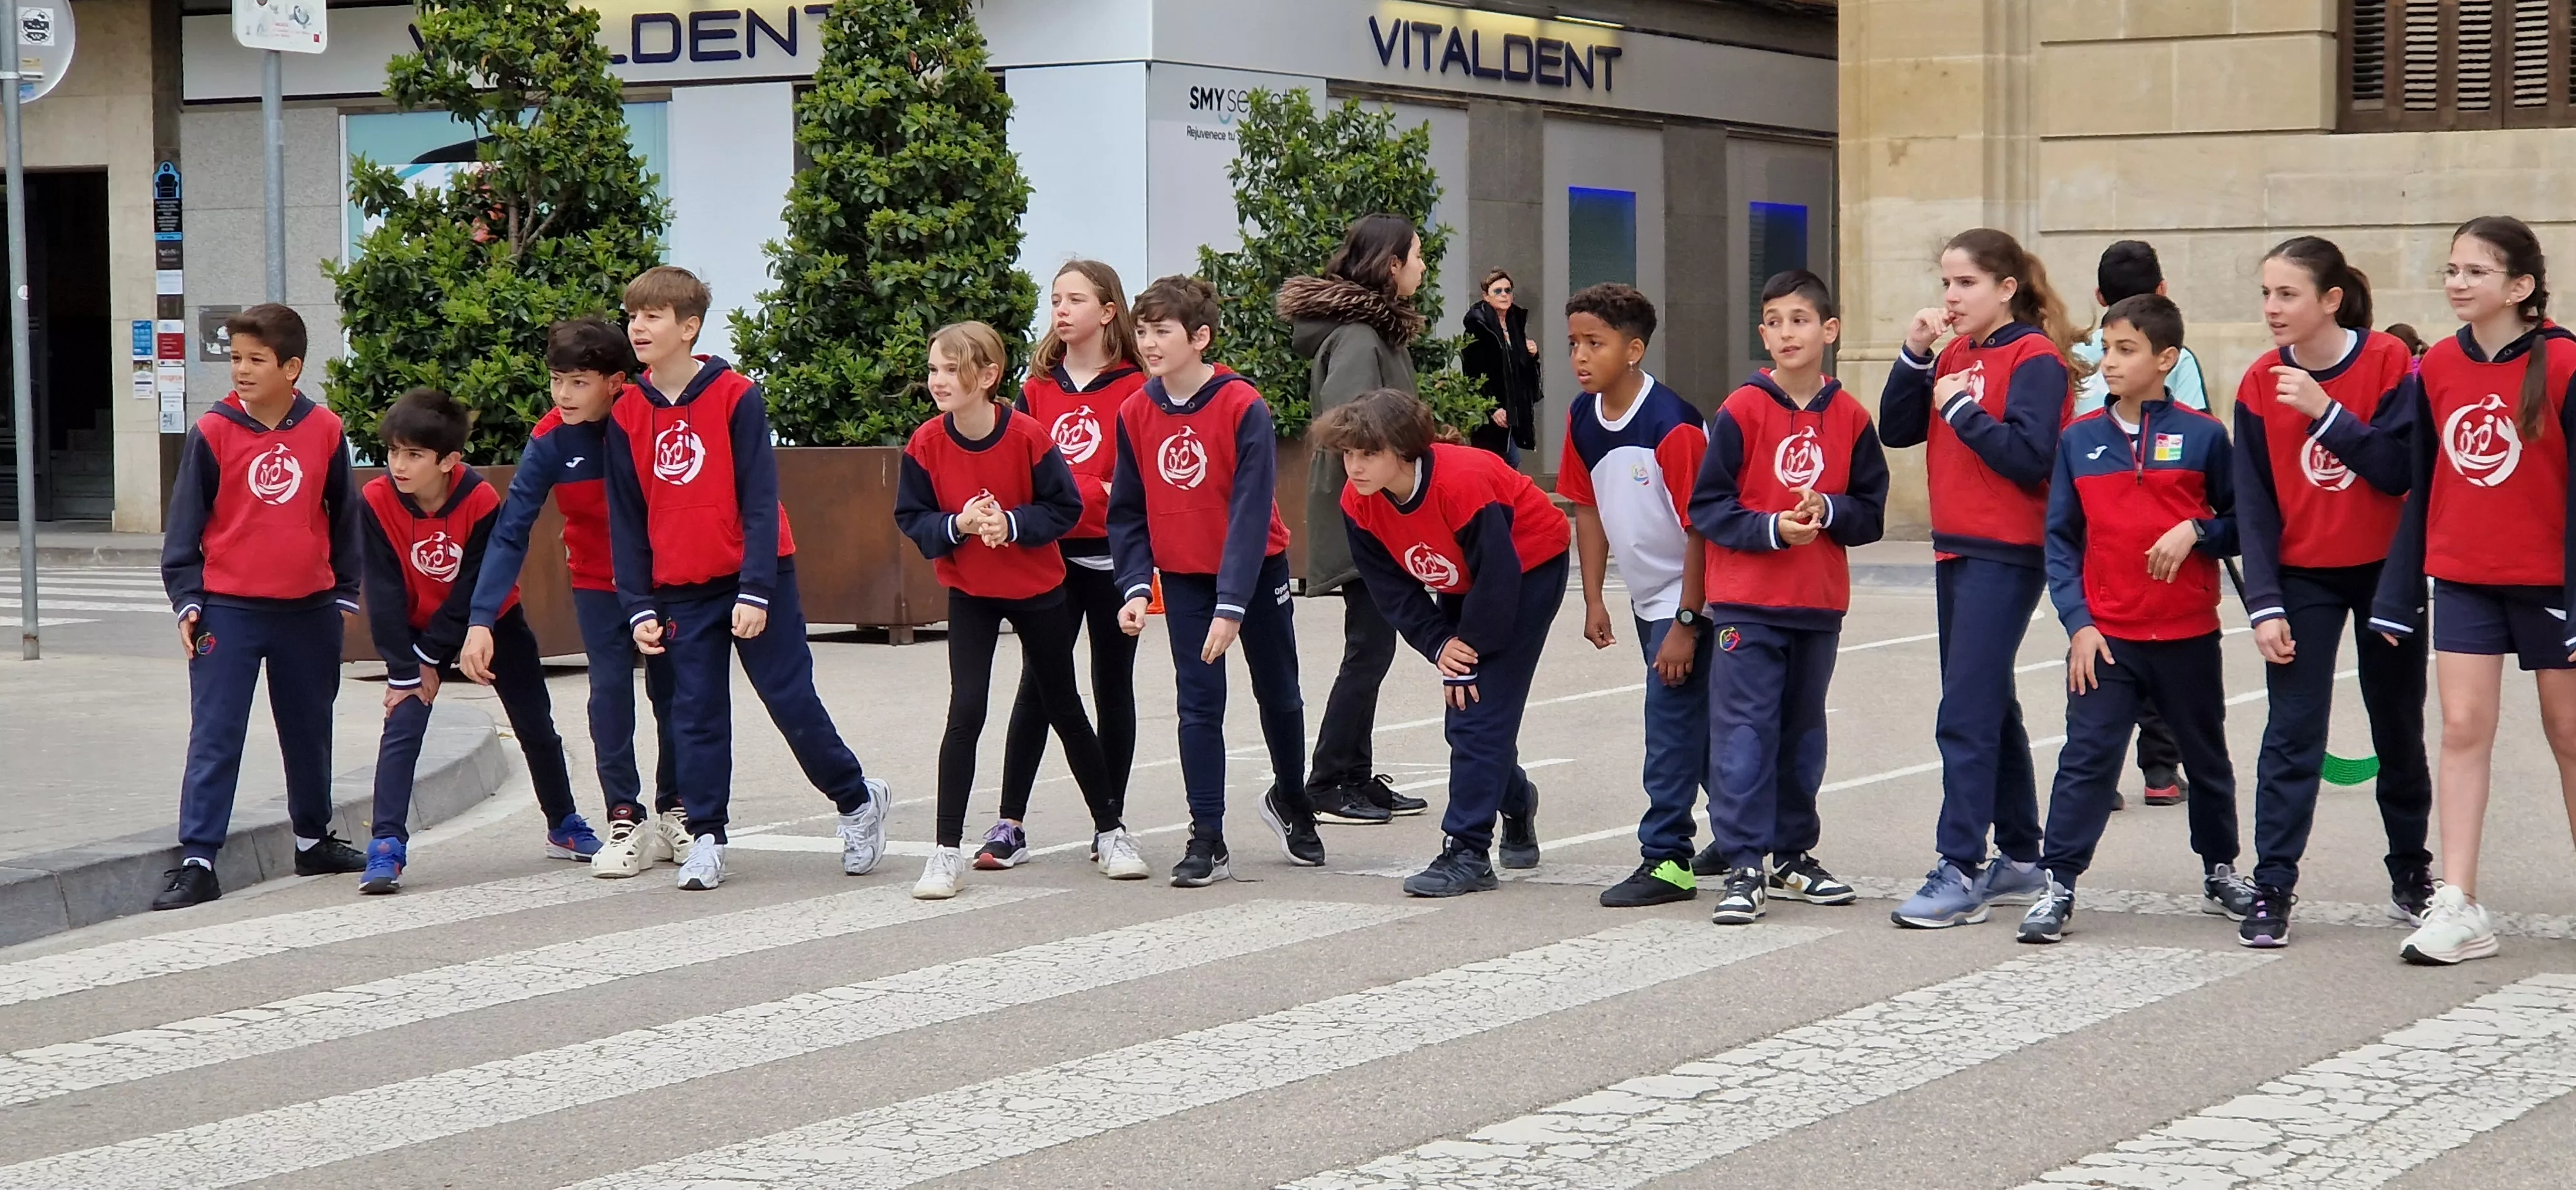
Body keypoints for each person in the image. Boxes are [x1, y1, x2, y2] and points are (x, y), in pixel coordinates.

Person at [603, 265, 888, 891]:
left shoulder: (735, 395)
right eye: (633, 316)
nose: (639, 327)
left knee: (789, 700)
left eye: (653, 316)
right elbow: (624, 520)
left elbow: (760, 499)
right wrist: (638, 605)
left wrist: (756, 588)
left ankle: (856, 798)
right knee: (695, 712)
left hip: (756, 575)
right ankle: (708, 837)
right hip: (679, 585)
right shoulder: (627, 411)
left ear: (689, 326)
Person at [2371, 216, 2576, 966]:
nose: (2457, 284)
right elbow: (2414, 479)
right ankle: (2456, 901)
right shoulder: (2435, 369)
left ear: (2519, 287)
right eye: (2451, 270)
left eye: (2474, 272)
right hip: (2462, 576)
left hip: (2553, 583)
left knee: (2569, 735)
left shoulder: (2563, 364)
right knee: (2460, 729)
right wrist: (2397, 589)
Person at [2018, 294, 2248, 945]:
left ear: (2165, 359)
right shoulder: (2078, 441)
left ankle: (2221, 869)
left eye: (2125, 350)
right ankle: (2057, 883)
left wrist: (2197, 530)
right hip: (2107, 638)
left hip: (2187, 635)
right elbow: (2059, 541)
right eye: (2104, 348)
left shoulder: (2205, 435)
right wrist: (2078, 624)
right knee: (2086, 760)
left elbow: (2240, 525)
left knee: (2205, 759)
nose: (2108, 362)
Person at [896, 321, 1147, 898]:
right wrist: (956, 523)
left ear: (987, 376)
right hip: (973, 594)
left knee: (1064, 704)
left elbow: (1061, 508)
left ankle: (1111, 832)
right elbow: (912, 518)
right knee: (967, 711)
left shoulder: (1028, 436)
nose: (938, 380)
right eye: (933, 368)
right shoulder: (926, 444)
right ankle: (944, 852)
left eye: (951, 369)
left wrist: (1010, 522)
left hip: (1038, 590)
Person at [2231, 236, 2431, 948]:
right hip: (2302, 576)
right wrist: (2263, 602)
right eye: (2265, 294)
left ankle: (2412, 872)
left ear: (2330, 300)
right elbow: (2251, 502)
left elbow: (2397, 471)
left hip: (2385, 573)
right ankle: (2273, 885)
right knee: (2291, 734)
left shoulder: (2389, 365)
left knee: (2397, 726)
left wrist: (2325, 412)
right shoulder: (2257, 381)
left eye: (2286, 294)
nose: (2271, 308)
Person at [1880, 228, 2079, 928]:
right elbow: (1896, 428)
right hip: (1955, 547)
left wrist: (1961, 409)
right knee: (1986, 702)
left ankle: (1959, 864)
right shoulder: (1955, 353)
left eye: (1964, 283)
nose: (1950, 297)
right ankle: (2022, 857)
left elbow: (2030, 458)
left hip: (2007, 547)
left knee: (1962, 711)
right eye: (1944, 284)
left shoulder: (2035, 358)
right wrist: (1915, 356)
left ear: (2005, 288)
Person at [1690, 270, 1889, 925]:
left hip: (1816, 604)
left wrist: (1828, 510)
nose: (1786, 332)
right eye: (1773, 321)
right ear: (1762, 335)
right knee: (1745, 732)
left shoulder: (1853, 417)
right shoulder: (1741, 410)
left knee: (1803, 734)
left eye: (1799, 320)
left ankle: (1793, 856)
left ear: (1829, 331)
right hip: (1747, 602)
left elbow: (1869, 513)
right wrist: (1772, 527)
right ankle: (1744, 861)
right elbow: (1708, 507)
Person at [1112, 275, 1325, 885]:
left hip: (1254, 572)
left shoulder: (1241, 406)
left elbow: (1251, 510)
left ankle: (1293, 801)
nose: (1149, 343)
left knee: (1278, 693)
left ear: (1199, 337)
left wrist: (1232, 605)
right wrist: (1132, 586)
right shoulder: (1135, 411)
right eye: (1143, 331)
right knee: (1198, 705)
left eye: (1163, 331)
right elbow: (1127, 510)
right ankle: (1207, 834)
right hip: (1184, 577)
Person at [154, 303, 368, 909]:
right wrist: (187, 600)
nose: (241, 370)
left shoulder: (325, 430)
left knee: (309, 730)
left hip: (309, 611)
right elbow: (185, 528)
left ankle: (311, 840)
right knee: (216, 734)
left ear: (292, 367)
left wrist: (344, 595)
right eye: (236, 358)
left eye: (256, 360)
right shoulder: (214, 432)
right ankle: (199, 859)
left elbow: (343, 515)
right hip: (229, 610)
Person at [1318, 390, 1570, 896]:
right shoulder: (1358, 502)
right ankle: (1518, 799)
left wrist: (1467, 653)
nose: (1355, 467)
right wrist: (1438, 643)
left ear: (1405, 451)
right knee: (1469, 720)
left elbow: (1498, 578)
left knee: (1477, 712)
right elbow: (1391, 587)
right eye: (1348, 454)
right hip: (1465, 581)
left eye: (1369, 454)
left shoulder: (1463, 482)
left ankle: (1468, 850)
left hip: (1527, 571)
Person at [460, 318, 685, 880]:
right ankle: (624, 817)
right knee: (610, 695)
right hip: (598, 584)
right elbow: (512, 530)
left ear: (615, 382)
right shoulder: (550, 438)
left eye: (579, 382)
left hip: (667, 581)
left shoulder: (650, 416)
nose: (563, 395)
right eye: (557, 380)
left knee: (675, 695)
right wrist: (482, 619)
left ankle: (678, 808)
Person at [355, 388, 588, 893]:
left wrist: (432, 653)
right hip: (413, 631)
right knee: (403, 724)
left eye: (414, 455)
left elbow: (473, 588)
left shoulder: (479, 499)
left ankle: (564, 824)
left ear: (449, 461)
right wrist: (408, 665)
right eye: (394, 451)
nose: (399, 464)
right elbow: (383, 587)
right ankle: (387, 846)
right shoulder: (375, 500)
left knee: (536, 727)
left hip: (492, 623)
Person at [985, 261, 1148, 871]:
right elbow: (1026, 472)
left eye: (1075, 299)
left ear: (1108, 311)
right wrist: (1076, 491)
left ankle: (1111, 822)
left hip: (1110, 559)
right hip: (1048, 558)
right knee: (1039, 687)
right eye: (1055, 299)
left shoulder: (1136, 386)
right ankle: (1010, 823)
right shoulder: (1038, 387)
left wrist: (1083, 491)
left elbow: (1130, 483)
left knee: (1113, 687)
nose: (1061, 309)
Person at [1555, 283, 1711, 909]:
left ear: (1634, 349)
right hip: (1651, 602)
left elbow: (1704, 530)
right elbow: (1585, 507)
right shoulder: (1581, 418)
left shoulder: (1672, 426)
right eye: (1573, 344)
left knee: (1670, 727)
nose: (1580, 357)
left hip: (1699, 599)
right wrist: (1594, 597)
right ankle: (1744, 837)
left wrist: (1687, 620)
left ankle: (1668, 859)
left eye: (1595, 343)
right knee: (1704, 729)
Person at [1281, 214, 1434, 827]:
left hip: (1374, 510)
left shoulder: (1375, 333)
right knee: (1368, 648)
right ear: (1391, 264)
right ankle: (1327, 780)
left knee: (1372, 646)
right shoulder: (1359, 339)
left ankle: (1354, 775)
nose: (1423, 267)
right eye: (1416, 256)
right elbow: (1355, 430)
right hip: (1364, 513)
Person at [2069, 239, 2206, 807]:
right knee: (2154, 649)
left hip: (2095, 515)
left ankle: (2099, 772)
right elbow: (2194, 424)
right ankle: (2160, 772)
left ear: (2099, 296)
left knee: (2097, 648)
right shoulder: (2180, 357)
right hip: (2160, 522)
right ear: (2164, 290)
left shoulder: (2078, 353)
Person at [1461, 268, 1541, 464]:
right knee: (1502, 461)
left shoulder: (1514, 325)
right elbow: (1472, 373)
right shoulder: (1479, 327)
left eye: (1508, 290)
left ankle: (1501, 495)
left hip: (1514, 408)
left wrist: (1532, 354)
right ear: (1486, 297)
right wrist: (1492, 408)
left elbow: (1521, 369)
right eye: (1498, 291)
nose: (1504, 295)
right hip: (1492, 411)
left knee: (1506, 461)